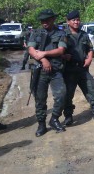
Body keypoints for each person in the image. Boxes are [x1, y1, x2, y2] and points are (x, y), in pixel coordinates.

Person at [62, 10, 94, 126]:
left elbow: (89, 49)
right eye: (74, 20)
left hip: (82, 68)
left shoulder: (83, 34)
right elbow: (59, 52)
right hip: (69, 70)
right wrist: (65, 56)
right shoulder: (64, 35)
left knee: (92, 88)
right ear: (68, 21)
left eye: (78, 20)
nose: (76, 22)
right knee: (68, 94)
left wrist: (89, 59)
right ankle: (68, 116)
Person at [28, 9, 67, 137]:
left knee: (62, 95)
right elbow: (31, 50)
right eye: (42, 21)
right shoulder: (36, 33)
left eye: (47, 20)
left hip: (55, 70)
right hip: (40, 70)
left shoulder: (61, 33)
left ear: (53, 19)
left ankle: (54, 119)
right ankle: (41, 124)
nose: (44, 23)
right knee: (40, 99)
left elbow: (61, 50)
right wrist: (44, 59)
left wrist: (44, 53)